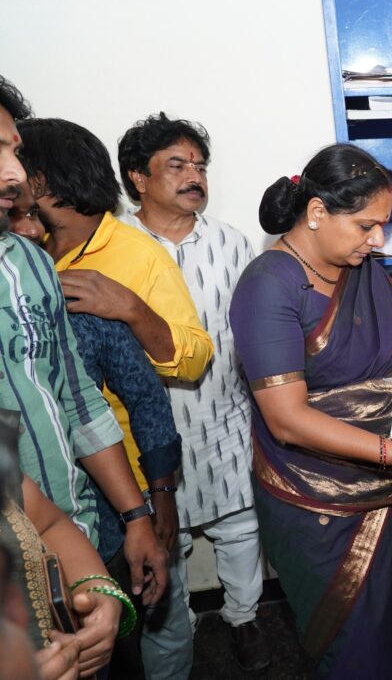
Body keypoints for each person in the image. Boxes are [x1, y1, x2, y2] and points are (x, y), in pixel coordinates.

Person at [229, 143, 392, 679]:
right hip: (317, 496)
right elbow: (287, 419)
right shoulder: (269, 286)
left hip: (391, 482)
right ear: (316, 213)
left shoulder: (365, 273)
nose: (378, 239)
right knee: (356, 641)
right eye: (366, 225)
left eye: (382, 224)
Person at [15, 115, 210, 680]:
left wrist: (130, 307)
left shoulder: (135, 253)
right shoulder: (30, 255)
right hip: (58, 485)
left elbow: (193, 357)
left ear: (45, 180)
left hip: (134, 474)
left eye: (17, 164)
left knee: (156, 611)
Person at [0, 73, 169, 630]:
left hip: (84, 533)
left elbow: (81, 402)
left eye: (15, 152)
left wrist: (140, 513)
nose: (15, 175)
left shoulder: (32, 269)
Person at [116, 113, 266, 671]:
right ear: (137, 177)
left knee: (240, 528)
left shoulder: (231, 242)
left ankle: (245, 620)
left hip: (224, 413)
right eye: (176, 165)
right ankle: (176, 627)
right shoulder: (118, 248)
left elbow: (250, 329)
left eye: (199, 166)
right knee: (164, 540)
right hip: (148, 428)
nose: (193, 176)